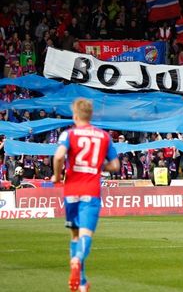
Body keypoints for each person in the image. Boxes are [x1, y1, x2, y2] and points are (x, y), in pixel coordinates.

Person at [51, 98, 120, 292]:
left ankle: (81, 282)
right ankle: (77, 260)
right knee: (86, 234)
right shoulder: (103, 136)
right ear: (90, 115)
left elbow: (58, 156)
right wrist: (98, 166)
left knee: (74, 234)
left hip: (71, 190)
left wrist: (57, 176)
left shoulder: (69, 134)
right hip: (91, 191)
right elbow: (115, 165)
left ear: (75, 115)